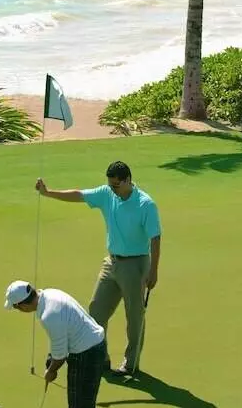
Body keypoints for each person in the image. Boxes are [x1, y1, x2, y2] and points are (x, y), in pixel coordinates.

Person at [34, 160, 161, 376]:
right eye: (110, 185)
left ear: (128, 180)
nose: (113, 189)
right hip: (111, 263)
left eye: (116, 185)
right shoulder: (107, 193)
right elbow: (79, 195)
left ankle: (131, 364)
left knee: (134, 317)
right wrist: (48, 193)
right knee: (95, 312)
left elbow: (155, 238)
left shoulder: (145, 204)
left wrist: (153, 271)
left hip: (136, 264)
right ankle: (101, 358)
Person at [4, 280, 106, 408]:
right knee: (79, 406)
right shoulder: (51, 293)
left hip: (87, 353)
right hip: (92, 344)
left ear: (23, 305)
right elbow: (60, 341)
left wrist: (51, 371)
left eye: (16, 307)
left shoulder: (49, 315)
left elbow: (60, 356)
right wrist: (51, 358)